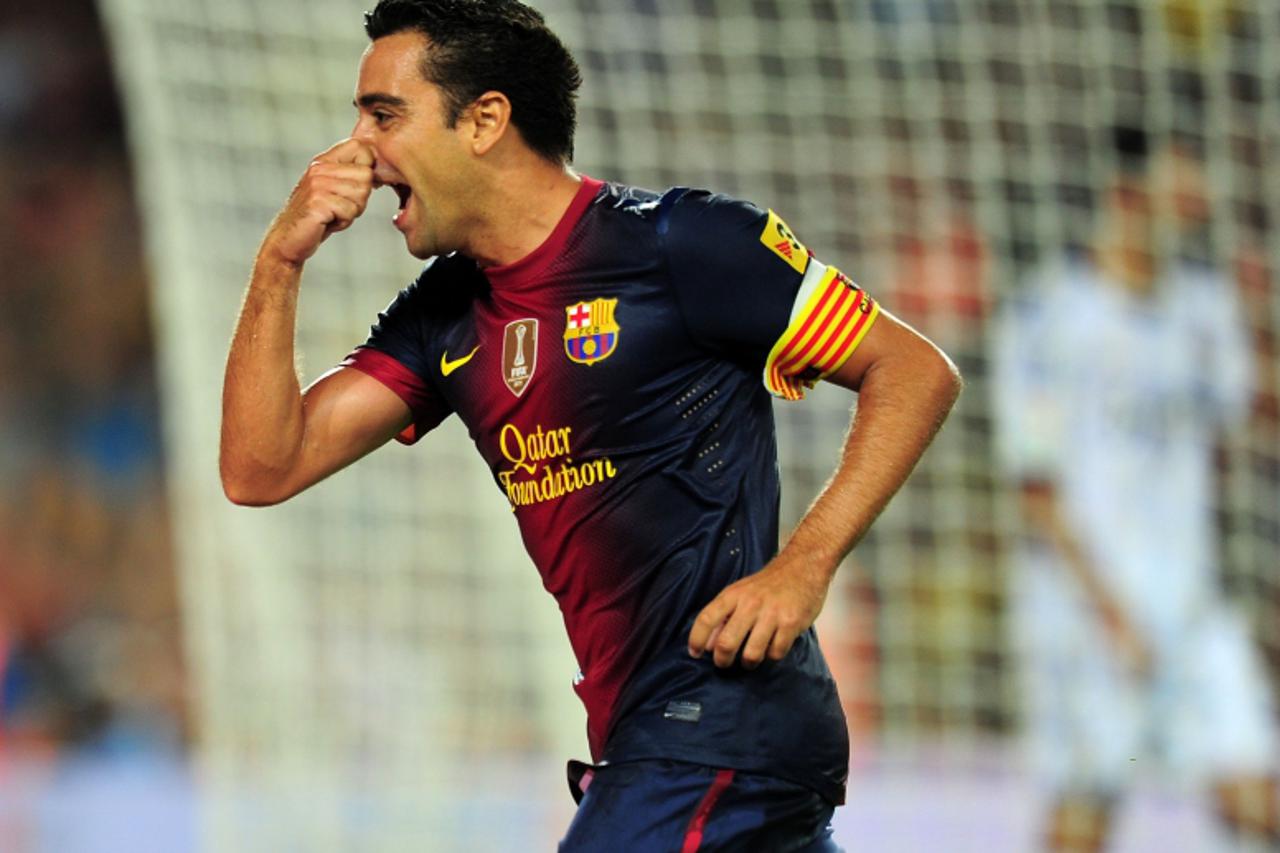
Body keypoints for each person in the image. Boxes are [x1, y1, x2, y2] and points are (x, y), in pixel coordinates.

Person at [218, 1, 961, 849]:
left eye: (384, 114)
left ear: (485, 120)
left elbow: (913, 370)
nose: (356, 148)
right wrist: (280, 258)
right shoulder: (444, 314)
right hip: (663, 742)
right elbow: (260, 469)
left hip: (715, 725)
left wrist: (803, 566)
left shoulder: (686, 244)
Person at [992, 127, 1280, 852]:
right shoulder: (1045, 316)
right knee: (1085, 811)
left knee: (1259, 793)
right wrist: (1109, 609)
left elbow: (1246, 423)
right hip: (1084, 604)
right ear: (1126, 196)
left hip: (1189, 597)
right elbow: (1034, 484)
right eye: (1177, 193)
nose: (1193, 209)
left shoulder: (1206, 309)